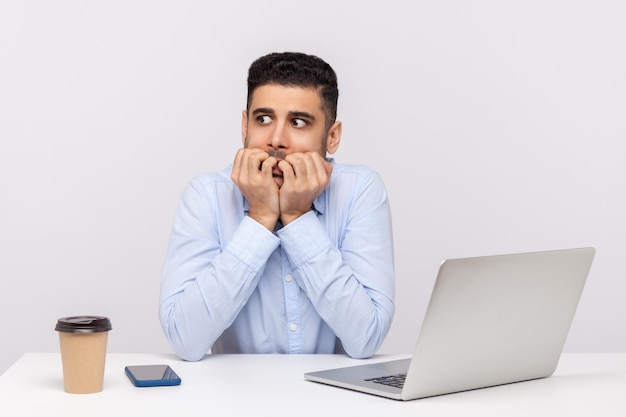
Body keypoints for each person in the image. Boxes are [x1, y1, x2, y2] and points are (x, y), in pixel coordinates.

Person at [159, 52, 395, 361]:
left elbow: (366, 338)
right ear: (245, 126)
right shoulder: (206, 195)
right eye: (263, 119)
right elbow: (185, 340)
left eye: (298, 122)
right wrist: (260, 218)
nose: (276, 140)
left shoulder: (359, 191)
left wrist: (298, 216)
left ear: (332, 136)